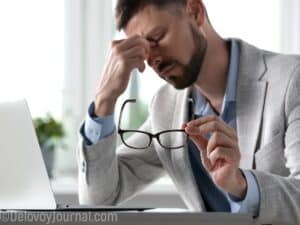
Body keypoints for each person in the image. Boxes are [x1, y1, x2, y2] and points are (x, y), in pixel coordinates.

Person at [77, 0, 300, 224]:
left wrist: (241, 185)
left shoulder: (291, 80)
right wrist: (104, 99)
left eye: (156, 38)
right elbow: (98, 198)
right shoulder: (165, 107)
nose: (153, 58)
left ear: (195, 11)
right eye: (142, 50)